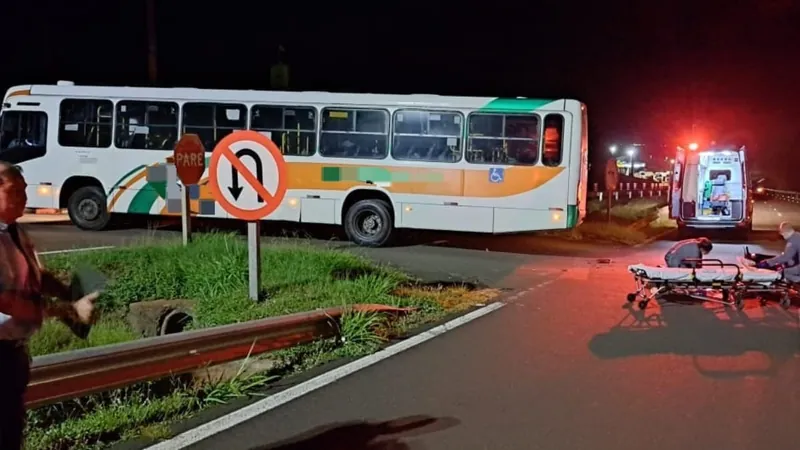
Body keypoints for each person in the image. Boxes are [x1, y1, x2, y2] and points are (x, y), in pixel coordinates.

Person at [0, 162, 99, 449]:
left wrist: (69, 293)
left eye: (24, 191)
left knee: (11, 430)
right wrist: (68, 311)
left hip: (14, 354)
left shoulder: (14, 231)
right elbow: (9, 302)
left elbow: (34, 275)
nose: (25, 198)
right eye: (14, 192)